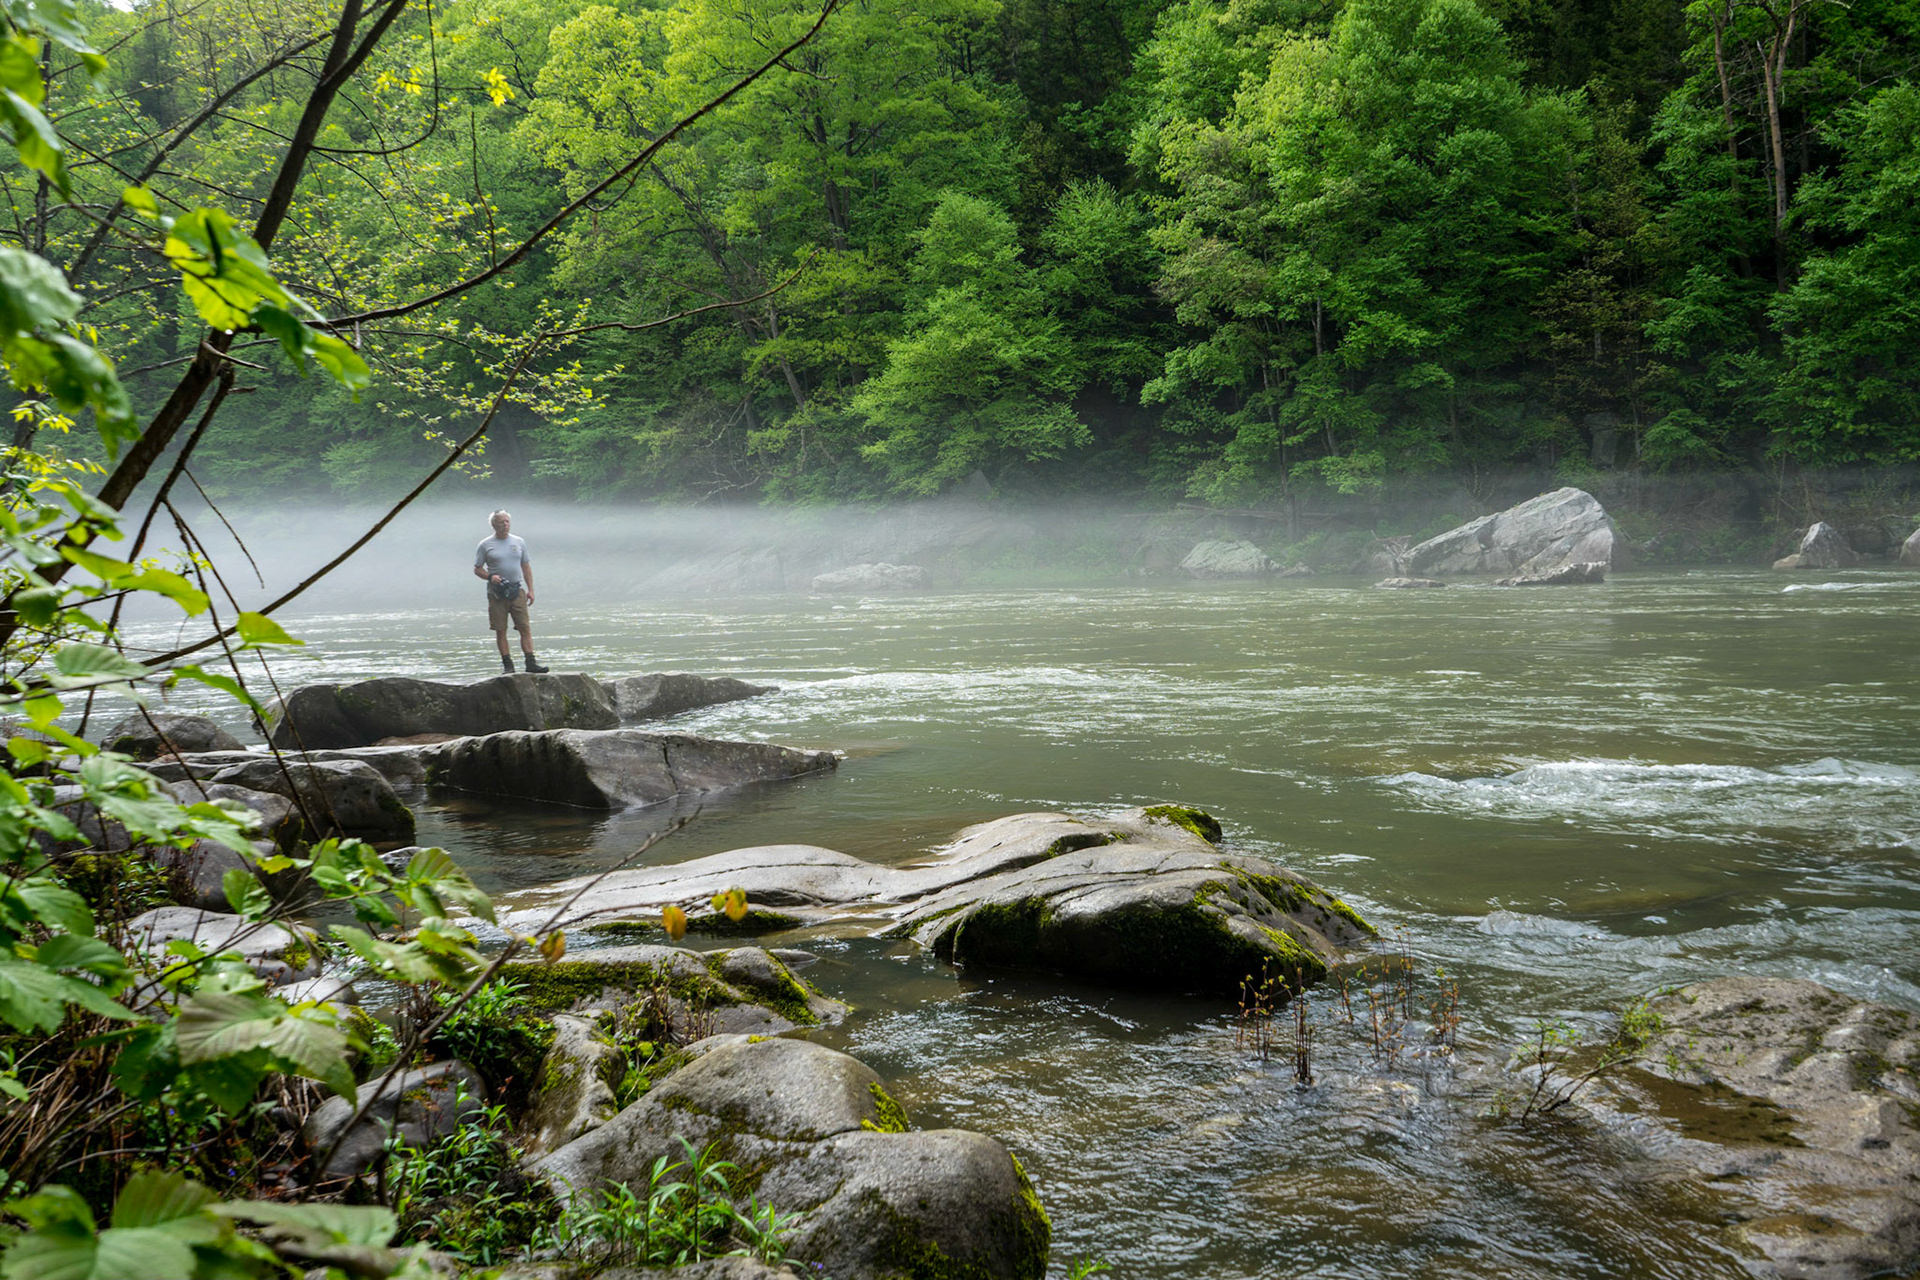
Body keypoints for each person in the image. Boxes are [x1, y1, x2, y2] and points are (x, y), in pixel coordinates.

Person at [473, 509, 549, 674]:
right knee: (501, 629)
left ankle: (531, 663)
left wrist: (531, 590)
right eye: (502, 522)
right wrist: (490, 577)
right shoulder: (485, 544)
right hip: (496, 593)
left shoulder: (519, 541)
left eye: (507, 521)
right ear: (494, 524)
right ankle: (508, 665)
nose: (505, 525)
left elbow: (526, 566)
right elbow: (477, 569)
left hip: (517, 590)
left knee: (524, 627)